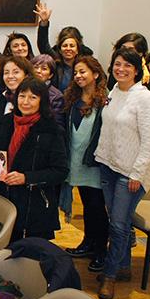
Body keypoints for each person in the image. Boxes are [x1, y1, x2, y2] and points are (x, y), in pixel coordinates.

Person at [94, 48, 150, 299]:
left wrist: (136, 173)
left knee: (119, 226)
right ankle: (123, 267)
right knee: (117, 221)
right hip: (109, 166)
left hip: (130, 174)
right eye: (117, 65)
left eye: (127, 66)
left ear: (136, 69)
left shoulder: (144, 99)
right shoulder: (114, 92)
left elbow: (149, 142)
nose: (121, 69)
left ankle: (110, 276)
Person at [0, 77, 69, 241]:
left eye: (33, 97)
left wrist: (26, 178)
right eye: (22, 96)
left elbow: (60, 171)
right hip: (3, 199)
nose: (26, 102)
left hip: (33, 205)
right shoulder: (5, 122)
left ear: (42, 101)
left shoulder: (51, 129)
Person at [62, 56, 110, 273]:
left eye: (83, 72)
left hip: (95, 164)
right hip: (76, 162)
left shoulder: (106, 102)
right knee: (88, 207)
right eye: (76, 73)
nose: (79, 76)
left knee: (97, 208)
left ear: (96, 74)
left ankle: (101, 250)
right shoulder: (72, 99)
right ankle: (88, 243)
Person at [34, 3, 94, 92]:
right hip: (57, 102)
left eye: (72, 46)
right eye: (65, 46)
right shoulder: (55, 60)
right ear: (60, 49)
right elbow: (43, 44)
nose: (68, 49)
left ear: (78, 48)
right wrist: (44, 23)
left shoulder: (87, 62)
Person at [0, 55, 35, 125]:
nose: (10, 76)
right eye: (6, 73)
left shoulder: (34, 99)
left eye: (16, 72)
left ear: (26, 75)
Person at [31, 54, 67, 129]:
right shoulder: (23, 89)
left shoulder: (56, 96)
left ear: (50, 75)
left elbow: (58, 125)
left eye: (44, 69)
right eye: (36, 67)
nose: (38, 71)